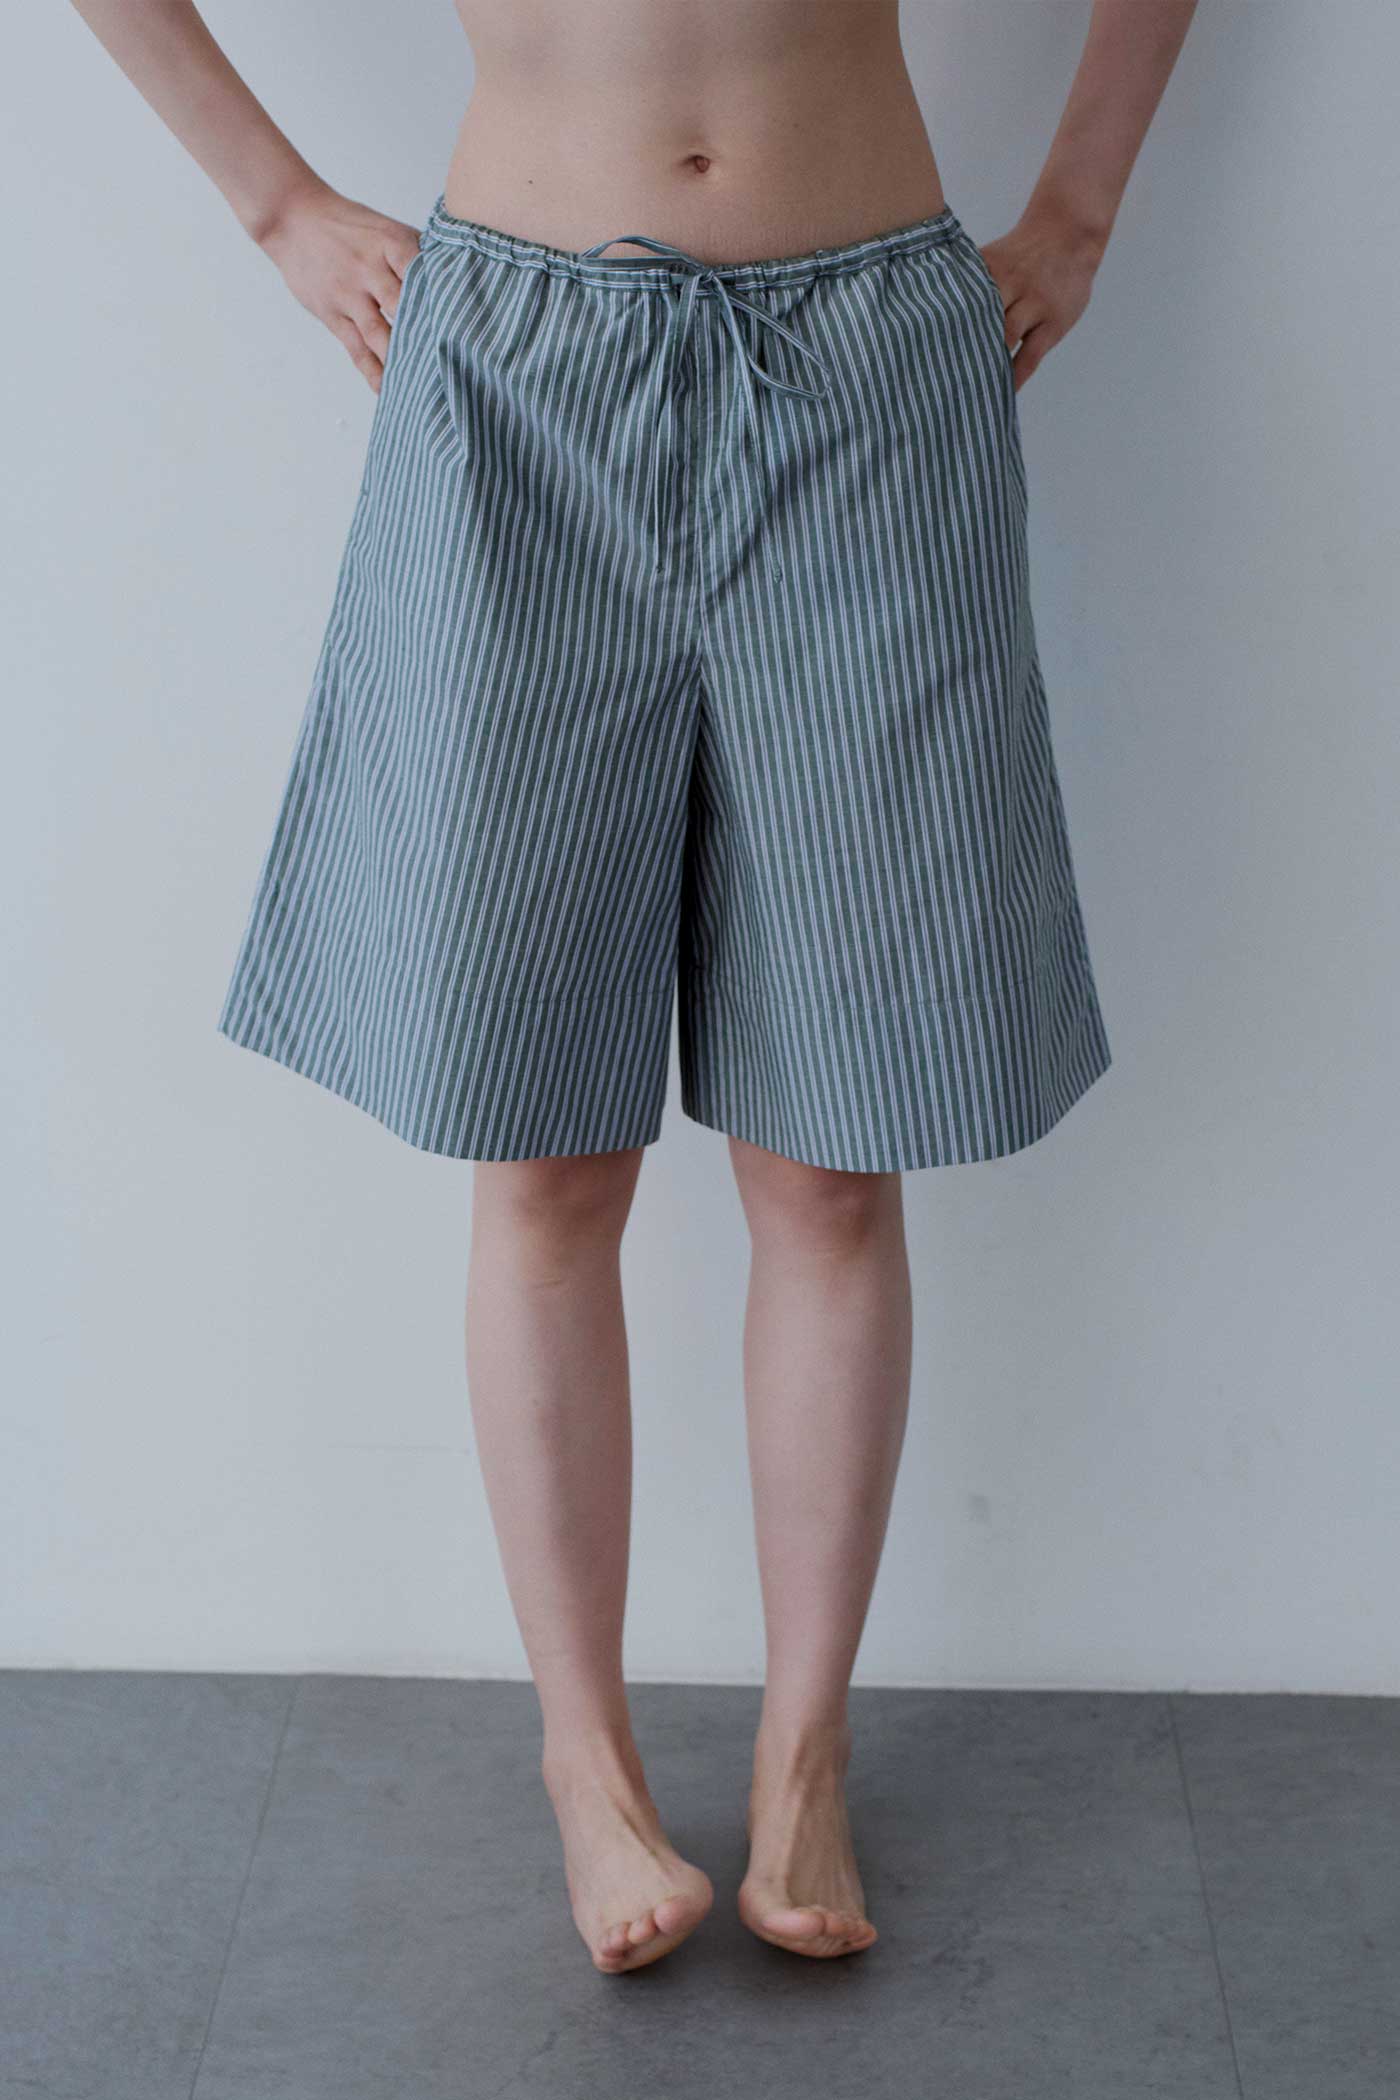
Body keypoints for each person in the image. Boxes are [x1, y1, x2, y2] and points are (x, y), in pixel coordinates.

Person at [71, 0, 1197, 1974]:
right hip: (516, 374)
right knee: (543, 1150)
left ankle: (802, 1758)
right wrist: (276, 209)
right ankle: (584, 1765)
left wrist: (1079, 209)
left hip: (875, 366)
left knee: (832, 1154)